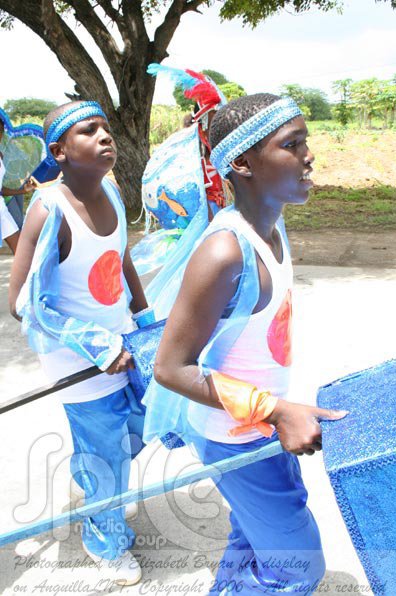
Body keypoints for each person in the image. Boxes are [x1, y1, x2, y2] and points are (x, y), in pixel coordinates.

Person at [143, 93, 348, 594]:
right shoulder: (225, 252)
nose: (309, 156)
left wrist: (279, 413)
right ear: (242, 163)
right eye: (291, 144)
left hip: (261, 425)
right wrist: (277, 411)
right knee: (298, 567)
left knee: (256, 537)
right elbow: (170, 367)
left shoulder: (272, 228)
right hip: (232, 435)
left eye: (305, 141)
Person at [9, 100, 150, 586]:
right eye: (88, 131)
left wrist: (145, 319)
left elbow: (121, 259)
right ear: (59, 152)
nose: (104, 136)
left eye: (105, 127)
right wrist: (96, 345)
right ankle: (103, 538)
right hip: (77, 360)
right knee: (106, 450)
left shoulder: (111, 189)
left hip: (123, 344)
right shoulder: (49, 210)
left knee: (141, 424)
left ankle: (96, 483)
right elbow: (24, 303)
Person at [0, 117, 36, 230]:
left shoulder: (6, 146)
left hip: (13, 187)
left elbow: (21, 162)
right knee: (18, 225)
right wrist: (22, 191)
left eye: (1, 131)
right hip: (6, 196)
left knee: (19, 224)